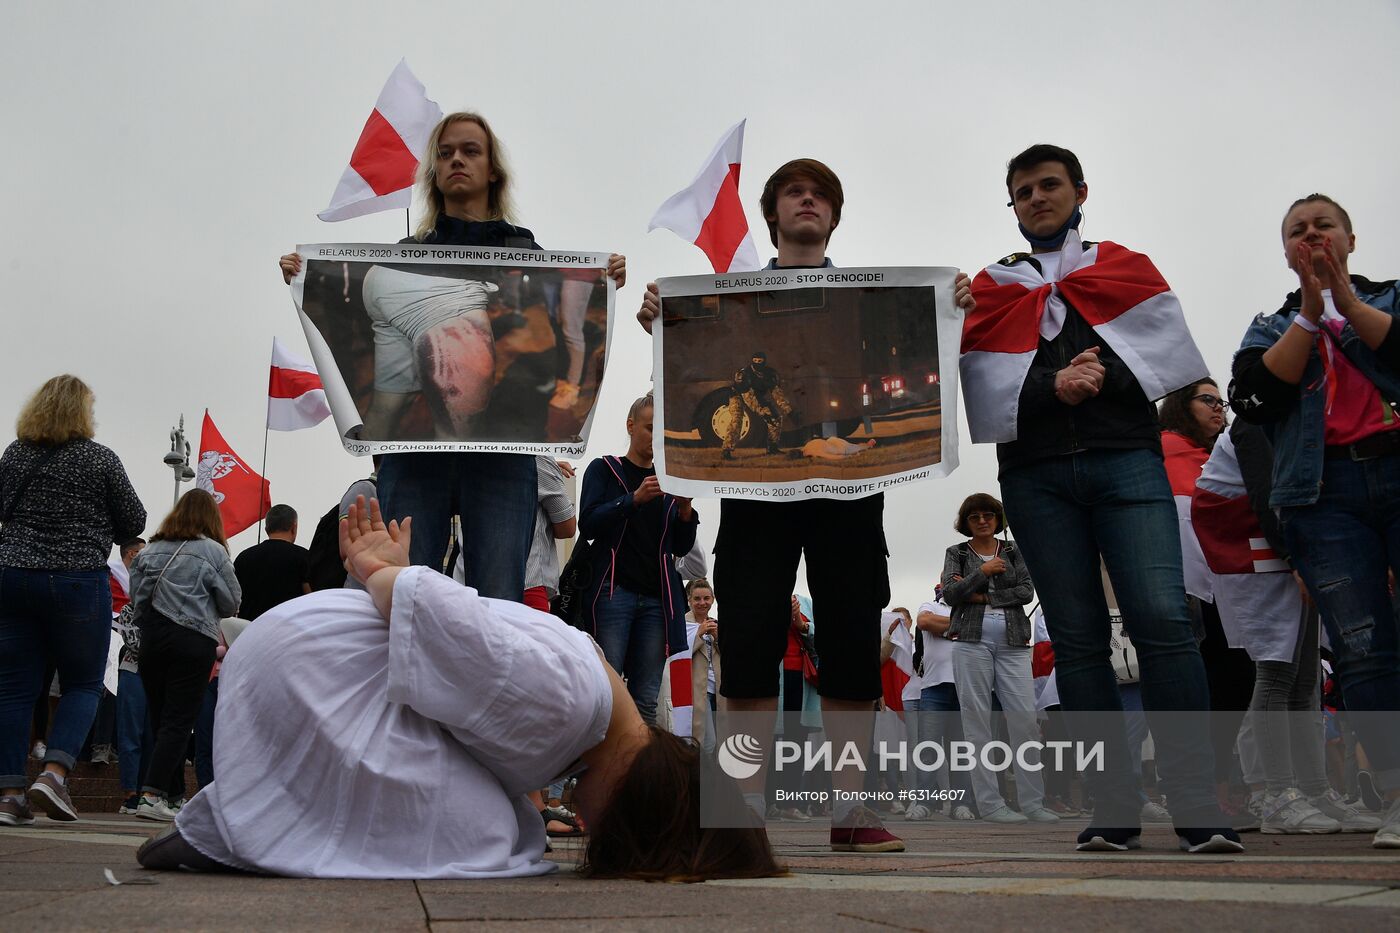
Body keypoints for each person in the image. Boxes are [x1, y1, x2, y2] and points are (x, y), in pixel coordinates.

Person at [136, 498, 778, 882]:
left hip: (317, 665)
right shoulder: (570, 709)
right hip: (307, 673)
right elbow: (438, 611)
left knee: (514, 822)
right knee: (493, 833)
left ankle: (237, 819)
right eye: (615, 831)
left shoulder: (589, 712)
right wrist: (382, 571)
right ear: (641, 803)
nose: (590, 828)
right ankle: (232, 827)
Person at [638, 158, 976, 854]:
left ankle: (851, 810)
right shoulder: (737, 296)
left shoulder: (869, 298)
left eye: (821, 194)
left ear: (834, 215)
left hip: (849, 494)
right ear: (773, 214)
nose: (808, 201)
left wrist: (951, 309)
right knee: (750, 648)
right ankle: (741, 808)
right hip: (759, 495)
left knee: (853, 646)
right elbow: (697, 358)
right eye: (795, 191)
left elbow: (912, 364)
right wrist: (664, 321)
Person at [962, 144, 1240, 853]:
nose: (1036, 198)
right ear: (1013, 206)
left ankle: (1195, 803)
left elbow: (1164, 353)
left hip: (1127, 461)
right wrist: (1053, 384)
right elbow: (973, 378)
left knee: (1163, 622)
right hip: (1036, 474)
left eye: (1048, 185)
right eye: (1021, 191)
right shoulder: (988, 287)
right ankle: (1113, 806)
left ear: (1080, 191)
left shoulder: (1125, 266)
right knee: (1080, 640)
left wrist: (1103, 377)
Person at [280, 111, 625, 596]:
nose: (456, 160)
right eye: (445, 153)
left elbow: (566, 340)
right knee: (406, 589)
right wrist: (305, 277)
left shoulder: (529, 256)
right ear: (434, 172)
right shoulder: (402, 260)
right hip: (419, 455)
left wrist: (604, 281)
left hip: (503, 454)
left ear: (492, 170)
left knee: (498, 596)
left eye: (470, 151)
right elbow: (390, 388)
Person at [1229, 193, 1400, 849]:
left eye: (1323, 225)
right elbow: (1252, 396)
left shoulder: (1387, 299)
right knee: (1361, 647)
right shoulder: (1270, 327)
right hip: (1324, 495)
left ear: (1350, 238)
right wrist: (1309, 311)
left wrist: (1347, 306)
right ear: (1286, 252)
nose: (1312, 237)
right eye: (1297, 231)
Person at [0, 375, 146, 826]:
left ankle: (9, 794)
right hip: (76, 579)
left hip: (14, 577)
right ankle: (55, 773)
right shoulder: (99, 459)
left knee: (15, 688)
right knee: (83, 682)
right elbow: (134, 520)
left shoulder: (14, 455)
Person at [578, 393, 698, 725]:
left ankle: (639, 775)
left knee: (646, 696)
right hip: (613, 593)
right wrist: (632, 500)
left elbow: (682, 547)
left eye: (662, 431)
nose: (654, 436)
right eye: (649, 428)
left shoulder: (670, 480)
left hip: (657, 602)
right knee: (607, 689)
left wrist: (686, 509)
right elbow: (586, 523)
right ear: (631, 426)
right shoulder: (604, 469)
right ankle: (601, 770)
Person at [941, 494, 1058, 824]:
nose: (982, 520)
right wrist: (985, 571)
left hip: (1013, 641)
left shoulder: (1012, 551)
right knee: (977, 723)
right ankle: (991, 804)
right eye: (975, 516)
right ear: (966, 521)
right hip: (970, 641)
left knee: (1024, 721)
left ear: (998, 518)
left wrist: (980, 593)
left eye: (989, 514)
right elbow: (950, 594)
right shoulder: (958, 553)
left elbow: (1026, 592)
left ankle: (1033, 802)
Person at [129, 489, 241, 822]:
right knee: (179, 722)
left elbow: (137, 599)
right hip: (193, 641)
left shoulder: (148, 552)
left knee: (161, 719)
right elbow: (231, 603)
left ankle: (173, 797)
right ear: (211, 518)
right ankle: (151, 796)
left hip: (153, 639)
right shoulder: (214, 552)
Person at [233, 504, 310, 622]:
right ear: (294, 527)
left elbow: (233, 602)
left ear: (266, 529)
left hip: (250, 632)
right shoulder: (305, 557)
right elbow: (311, 597)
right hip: (289, 632)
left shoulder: (243, 557)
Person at [724, 351, 791, 458]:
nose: (757, 363)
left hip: (757, 396)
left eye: (760, 361)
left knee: (775, 418)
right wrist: (763, 413)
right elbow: (748, 398)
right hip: (738, 395)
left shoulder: (770, 374)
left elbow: (777, 393)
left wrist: (788, 410)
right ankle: (726, 450)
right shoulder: (744, 374)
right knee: (737, 419)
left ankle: (772, 448)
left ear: (764, 362)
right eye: (755, 361)